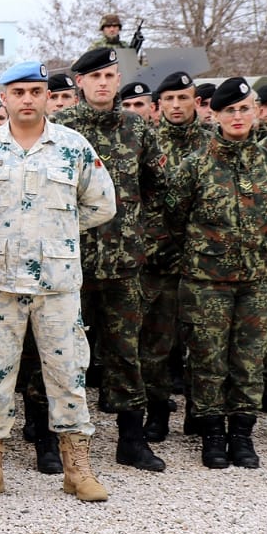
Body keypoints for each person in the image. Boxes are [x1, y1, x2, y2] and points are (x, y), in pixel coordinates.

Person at [0, 61, 117, 503]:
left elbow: (103, 204)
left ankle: (76, 467)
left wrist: (55, 233)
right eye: (18, 91)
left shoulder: (73, 147)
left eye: (36, 91)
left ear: (48, 97)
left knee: (68, 375)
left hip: (58, 285)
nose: (27, 99)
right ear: (2, 97)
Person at [52, 47, 169, 474]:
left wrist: (144, 237)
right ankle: (54, 442)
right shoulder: (60, 129)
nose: (103, 83)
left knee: (125, 353)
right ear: (79, 83)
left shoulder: (138, 128)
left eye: (110, 75)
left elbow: (161, 188)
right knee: (60, 352)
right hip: (68, 265)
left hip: (123, 266)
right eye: (94, 76)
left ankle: (131, 441)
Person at [164, 77, 267, 469]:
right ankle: (212, 435)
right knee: (208, 359)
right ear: (215, 114)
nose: (238, 116)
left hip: (257, 280)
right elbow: (176, 217)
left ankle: (242, 434)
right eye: (229, 110)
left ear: (257, 111)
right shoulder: (195, 164)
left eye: (244, 109)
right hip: (206, 281)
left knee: (249, 359)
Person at [145, 71, 212, 440]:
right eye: (168, 100)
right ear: (159, 106)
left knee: (202, 343)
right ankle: (156, 413)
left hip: (205, 263)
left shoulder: (212, 142)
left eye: (183, 98)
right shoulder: (148, 143)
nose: (175, 106)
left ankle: (200, 414)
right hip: (160, 261)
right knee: (157, 343)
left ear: (196, 102)